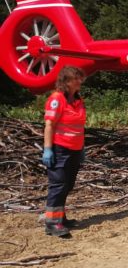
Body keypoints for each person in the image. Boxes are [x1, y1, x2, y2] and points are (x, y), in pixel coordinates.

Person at [42, 66, 87, 237]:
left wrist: (81, 148)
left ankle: (60, 217)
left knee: (68, 184)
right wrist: (48, 149)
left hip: (74, 149)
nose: (80, 81)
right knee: (58, 185)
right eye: (76, 78)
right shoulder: (57, 99)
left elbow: (79, 126)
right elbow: (49, 125)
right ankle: (52, 223)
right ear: (67, 81)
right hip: (60, 149)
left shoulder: (78, 100)